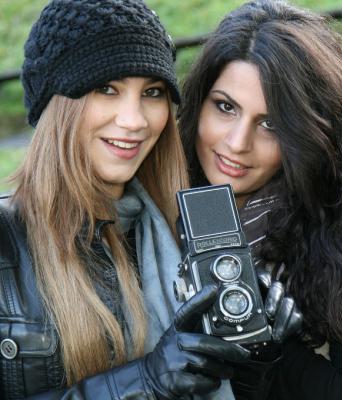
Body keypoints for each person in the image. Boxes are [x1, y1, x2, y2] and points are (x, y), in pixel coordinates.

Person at [0, 1, 251, 399]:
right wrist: (144, 383)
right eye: (107, 89)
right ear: (56, 105)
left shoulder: (187, 231)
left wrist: (258, 355)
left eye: (152, 92)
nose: (134, 120)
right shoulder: (6, 243)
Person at [178, 0, 342, 399]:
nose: (237, 143)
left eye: (270, 124)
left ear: (306, 133)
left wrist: (262, 342)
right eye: (225, 107)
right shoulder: (163, 204)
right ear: (198, 102)